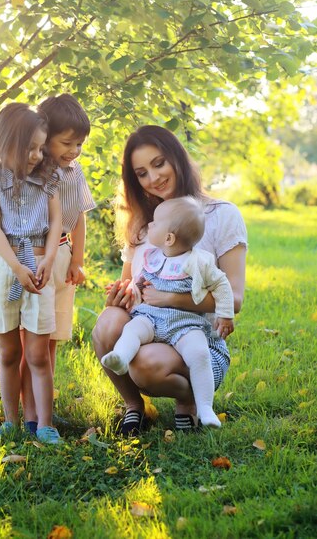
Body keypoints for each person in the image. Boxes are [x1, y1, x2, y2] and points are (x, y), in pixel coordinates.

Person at [92, 125, 247, 436]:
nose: (154, 178)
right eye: (142, 173)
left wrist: (170, 298)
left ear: (177, 158)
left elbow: (235, 297)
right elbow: (130, 285)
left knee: (145, 364)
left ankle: (192, 400)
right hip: (149, 322)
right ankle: (135, 406)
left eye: (159, 163)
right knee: (108, 324)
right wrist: (118, 298)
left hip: (194, 333)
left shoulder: (221, 215)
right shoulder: (144, 223)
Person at [0, 102, 63, 444]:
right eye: (30, 148)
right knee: (9, 353)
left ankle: (46, 424)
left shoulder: (48, 178)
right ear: (7, 141)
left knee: (38, 354)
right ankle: (10, 421)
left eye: (41, 147)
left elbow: (56, 223)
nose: (37, 155)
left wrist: (48, 260)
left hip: (39, 268)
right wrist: (16, 267)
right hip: (4, 268)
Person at [101, 196, 234, 428]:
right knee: (132, 330)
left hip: (185, 323)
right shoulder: (152, 257)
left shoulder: (199, 261)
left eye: (155, 223)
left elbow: (222, 285)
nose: (149, 225)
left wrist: (225, 315)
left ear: (169, 238)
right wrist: (126, 290)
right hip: (150, 317)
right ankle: (121, 357)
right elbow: (139, 283)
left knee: (199, 353)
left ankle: (205, 408)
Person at [20, 94, 96, 434]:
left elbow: (78, 216)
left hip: (63, 256)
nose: (74, 150)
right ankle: (31, 416)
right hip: (36, 258)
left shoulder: (75, 171)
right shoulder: (33, 173)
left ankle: (45, 405)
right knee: (32, 343)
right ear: (45, 135)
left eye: (79, 143)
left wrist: (77, 261)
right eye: (67, 142)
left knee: (50, 339)